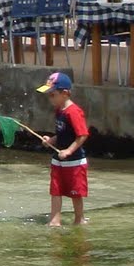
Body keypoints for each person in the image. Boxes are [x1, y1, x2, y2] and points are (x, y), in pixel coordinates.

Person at [37, 72, 90, 227]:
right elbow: (61, 134)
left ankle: (79, 219)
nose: (50, 98)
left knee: (76, 192)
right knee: (56, 190)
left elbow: (82, 135)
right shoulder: (59, 110)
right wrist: (51, 140)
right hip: (58, 159)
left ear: (65, 93)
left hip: (74, 161)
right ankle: (55, 220)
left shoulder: (73, 112)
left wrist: (69, 151)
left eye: (52, 95)